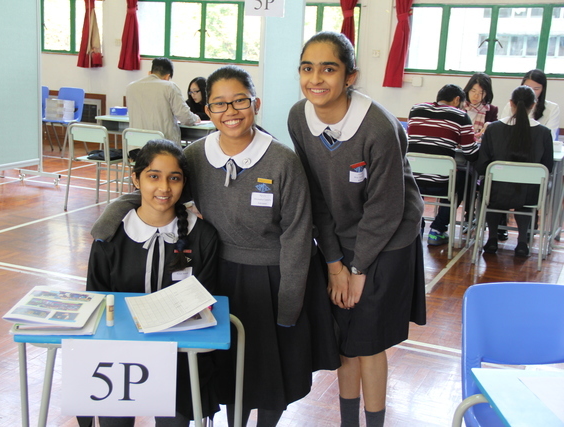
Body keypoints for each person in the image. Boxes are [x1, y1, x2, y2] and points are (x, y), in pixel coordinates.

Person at [91, 65, 340, 427]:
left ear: (256, 103)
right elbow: (160, 193)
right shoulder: (196, 155)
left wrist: (289, 305)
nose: (230, 112)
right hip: (220, 276)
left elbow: (298, 236)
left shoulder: (283, 160)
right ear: (207, 110)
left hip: (277, 279)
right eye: (219, 104)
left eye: (240, 101)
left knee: (273, 374)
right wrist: (110, 218)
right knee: (229, 371)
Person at [288, 32, 426, 427]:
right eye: (307, 68)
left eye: (328, 69)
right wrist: (335, 264)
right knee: (342, 340)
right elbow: (315, 194)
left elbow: (385, 209)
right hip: (341, 236)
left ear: (350, 76)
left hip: (388, 240)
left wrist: (358, 268)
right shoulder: (298, 117)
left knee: (368, 342)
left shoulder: (378, 127)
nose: (316, 78)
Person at [80, 139, 221, 427]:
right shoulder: (110, 238)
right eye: (153, 176)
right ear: (136, 179)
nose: (164, 188)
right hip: (119, 356)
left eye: (174, 178)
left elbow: (203, 303)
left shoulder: (203, 237)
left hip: (181, 358)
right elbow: (97, 304)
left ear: (184, 183)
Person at [476, 85, 553, 258]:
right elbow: (547, 168)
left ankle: (492, 239)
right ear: (533, 105)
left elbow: (482, 165)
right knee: (527, 194)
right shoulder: (544, 133)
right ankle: (522, 242)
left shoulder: (493, 129)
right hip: (530, 195)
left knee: (489, 187)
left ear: (510, 103)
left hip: (496, 192)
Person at [407, 84, 479, 246]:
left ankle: (418, 226)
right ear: (457, 100)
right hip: (441, 184)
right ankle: (437, 230)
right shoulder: (460, 115)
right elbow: (471, 153)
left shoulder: (416, 109)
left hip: (412, 179)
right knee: (462, 178)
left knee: (422, 177)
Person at [126, 58, 200, 147]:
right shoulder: (169, 87)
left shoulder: (131, 87)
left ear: (150, 72)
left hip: (135, 147)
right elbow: (185, 117)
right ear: (167, 76)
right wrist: (195, 118)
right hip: (162, 148)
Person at [500, 69, 560, 142]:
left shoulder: (553, 108)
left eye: (536, 89)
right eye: (528, 87)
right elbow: (502, 131)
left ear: (543, 89)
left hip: (538, 147)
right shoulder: (511, 105)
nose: (531, 92)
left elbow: (550, 137)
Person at [463, 72, 498, 141]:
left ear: (487, 94)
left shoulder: (491, 110)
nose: (476, 96)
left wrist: (489, 127)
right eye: (473, 91)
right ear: (468, 90)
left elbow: (495, 134)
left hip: (480, 145)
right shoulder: (459, 106)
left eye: (481, 93)